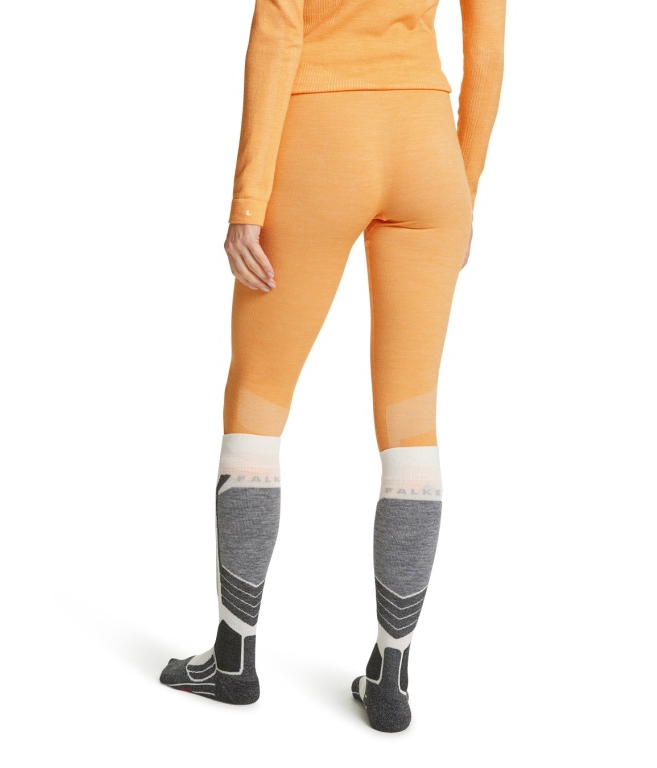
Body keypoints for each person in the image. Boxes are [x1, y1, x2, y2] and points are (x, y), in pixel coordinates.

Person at [160, 0, 505, 733]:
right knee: (412, 418)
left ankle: (234, 656)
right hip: (427, 153)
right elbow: (488, 52)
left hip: (323, 139)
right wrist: (464, 188)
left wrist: (247, 200)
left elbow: (278, 31)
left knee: (257, 398)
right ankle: (391, 672)